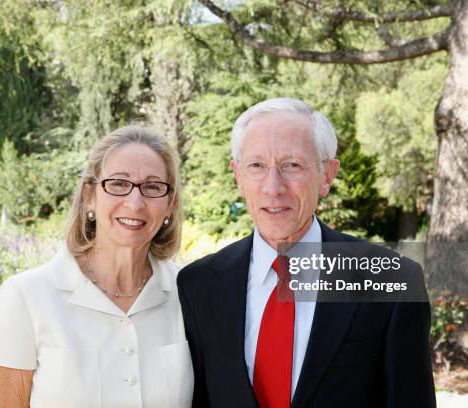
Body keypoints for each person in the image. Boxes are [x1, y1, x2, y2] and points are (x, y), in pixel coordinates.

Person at [177, 98, 435, 407]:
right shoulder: (198, 285)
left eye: (292, 166)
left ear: (327, 175)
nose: (273, 187)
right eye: (256, 166)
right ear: (238, 176)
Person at [0, 126, 193, 408]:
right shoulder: (27, 296)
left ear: (169, 205)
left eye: (153, 187)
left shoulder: (190, 294)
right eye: (118, 183)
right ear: (89, 196)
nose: (135, 203)